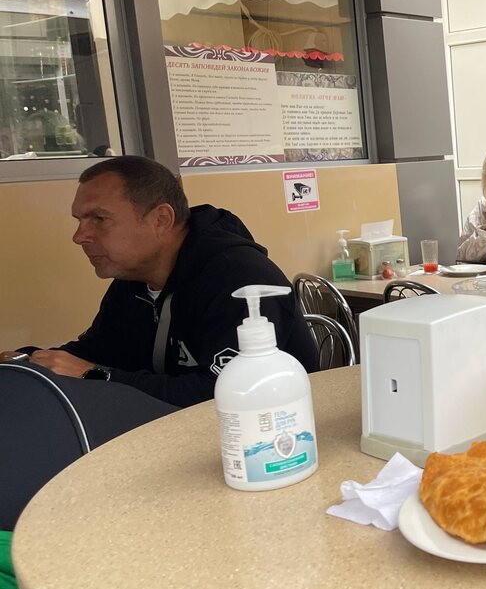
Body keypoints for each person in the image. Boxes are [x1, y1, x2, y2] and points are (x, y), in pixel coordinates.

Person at [0, 155, 318, 407]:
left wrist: (96, 376)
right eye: (79, 220)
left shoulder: (239, 278)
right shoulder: (132, 279)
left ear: (161, 220)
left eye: (99, 219)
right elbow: (97, 351)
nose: (79, 236)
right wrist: (27, 360)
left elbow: (220, 393)